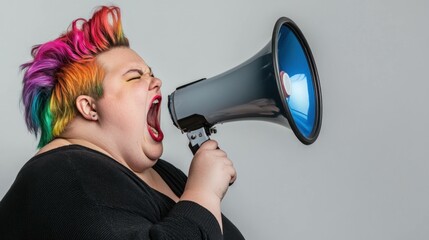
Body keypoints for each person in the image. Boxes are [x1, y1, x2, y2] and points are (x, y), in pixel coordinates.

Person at [0, 5, 244, 239]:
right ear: (89, 106)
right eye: (135, 76)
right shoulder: (58, 174)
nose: (156, 80)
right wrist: (204, 192)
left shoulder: (161, 173)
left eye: (151, 72)